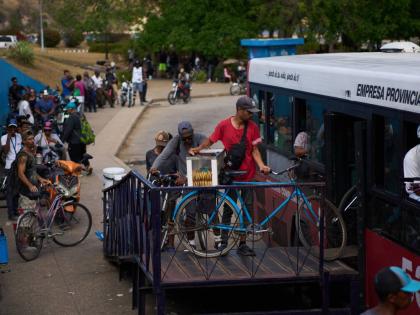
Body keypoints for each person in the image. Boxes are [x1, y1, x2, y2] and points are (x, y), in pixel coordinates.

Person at [190, 96, 270, 256]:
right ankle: (223, 243)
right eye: (249, 112)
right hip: (231, 176)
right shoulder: (224, 125)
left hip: (248, 176)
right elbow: (211, 140)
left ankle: (242, 243)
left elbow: (255, 150)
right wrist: (198, 149)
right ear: (239, 110)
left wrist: (261, 165)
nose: (251, 115)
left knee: (247, 210)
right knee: (228, 209)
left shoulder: (253, 127)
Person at [151, 121, 207, 249]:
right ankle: (191, 243)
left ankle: (218, 240)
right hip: (186, 182)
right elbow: (164, 155)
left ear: (193, 133)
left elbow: (207, 154)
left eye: (189, 137)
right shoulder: (176, 141)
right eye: (184, 138)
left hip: (202, 177)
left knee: (210, 209)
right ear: (180, 136)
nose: (187, 140)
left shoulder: (200, 138)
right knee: (190, 213)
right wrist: (154, 167)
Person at [16, 130, 50, 211]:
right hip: (26, 192)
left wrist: (40, 179)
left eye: (32, 139)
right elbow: (20, 173)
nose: (32, 141)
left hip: (33, 190)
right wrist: (30, 185)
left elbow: (32, 170)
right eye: (29, 139)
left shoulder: (30, 153)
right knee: (26, 219)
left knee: (34, 215)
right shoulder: (23, 155)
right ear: (24, 141)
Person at [1, 119, 22, 220]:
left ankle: (15, 210)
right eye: (11, 127)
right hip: (9, 167)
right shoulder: (4, 138)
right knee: (9, 192)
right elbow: (6, 151)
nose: (13, 129)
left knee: (17, 191)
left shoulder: (19, 136)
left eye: (14, 127)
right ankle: (11, 214)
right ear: (8, 128)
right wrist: (9, 137)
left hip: (19, 167)